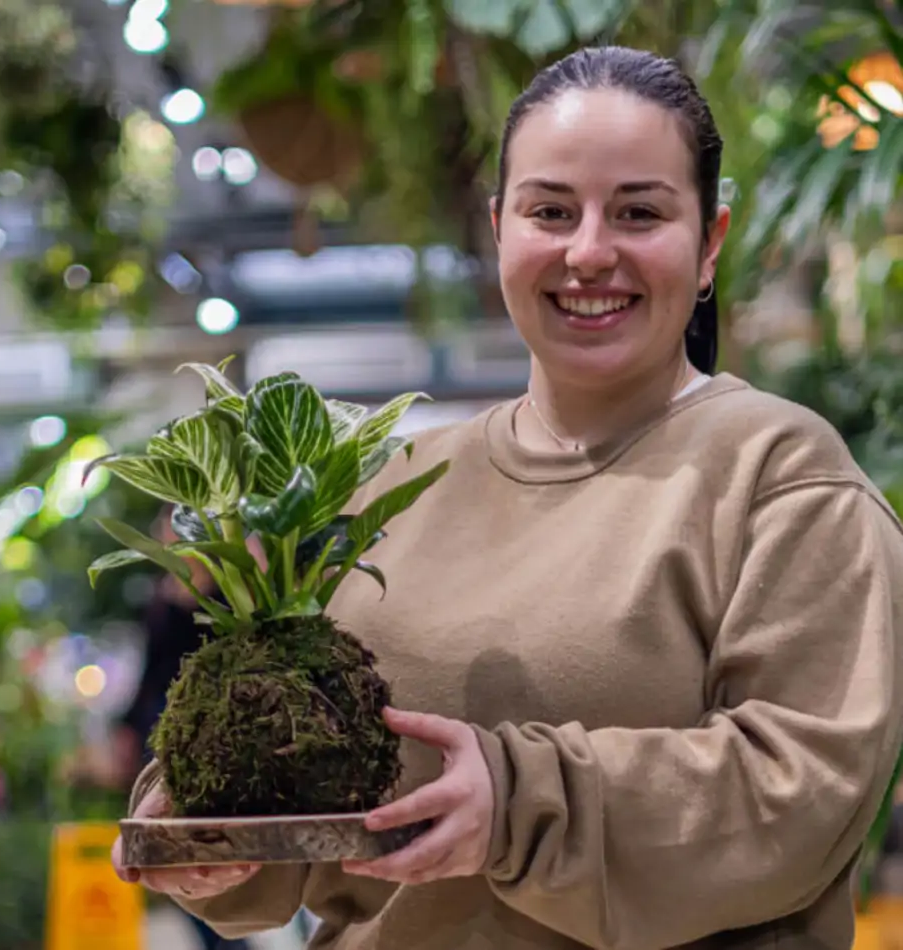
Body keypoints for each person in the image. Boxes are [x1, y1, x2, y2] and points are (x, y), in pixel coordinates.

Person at [113, 46, 903, 950]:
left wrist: (520, 803)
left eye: (640, 212)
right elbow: (312, 817)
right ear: (501, 229)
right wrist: (213, 832)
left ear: (710, 241)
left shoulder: (777, 472)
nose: (590, 250)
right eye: (551, 211)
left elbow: (806, 789)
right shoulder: (395, 484)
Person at [113, 509, 252, 950]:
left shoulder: (230, 592)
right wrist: (125, 728)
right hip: (160, 727)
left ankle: (231, 943)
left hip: (209, 730)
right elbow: (150, 673)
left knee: (209, 847)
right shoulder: (162, 596)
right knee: (171, 858)